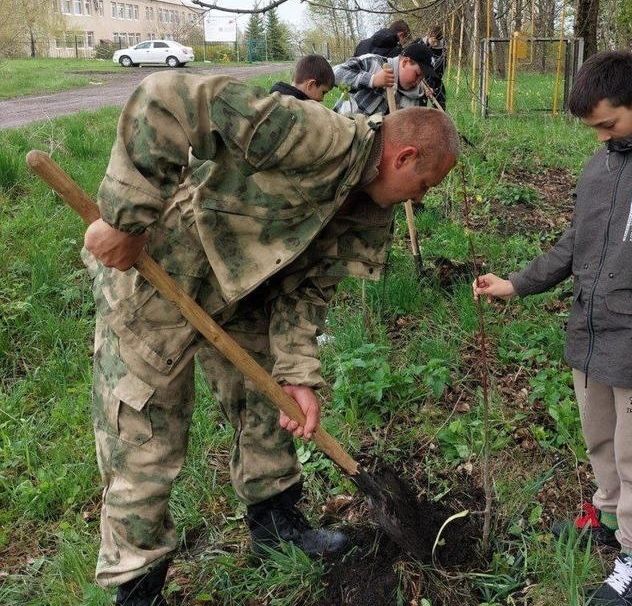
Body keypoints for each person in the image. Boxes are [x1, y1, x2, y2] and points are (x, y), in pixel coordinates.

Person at [81, 70, 460, 606]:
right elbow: (169, 98)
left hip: (246, 294)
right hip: (160, 278)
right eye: (422, 186)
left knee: (268, 410)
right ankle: (137, 586)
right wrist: (127, 219)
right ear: (402, 158)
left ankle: (276, 524)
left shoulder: (369, 212)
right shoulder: (310, 133)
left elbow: (309, 293)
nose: (416, 200)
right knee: (145, 440)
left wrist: (298, 374)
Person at [473, 50, 632, 606]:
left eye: (606, 125)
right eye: (592, 130)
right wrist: (516, 283)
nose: (600, 138)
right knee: (599, 437)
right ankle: (607, 518)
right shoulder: (602, 161)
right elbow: (573, 244)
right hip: (590, 331)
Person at [332, 42, 434, 116]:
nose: (417, 82)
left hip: (371, 144)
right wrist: (372, 80)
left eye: (421, 78)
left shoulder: (415, 100)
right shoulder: (373, 63)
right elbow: (334, 74)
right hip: (340, 132)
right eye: (417, 74)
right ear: (405, 62)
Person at [268, 54, 335, 102]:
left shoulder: (272, 99)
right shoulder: (302, 109)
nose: (322, 99)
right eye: (323, 92)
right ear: (311, 84)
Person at [417, 24, 447, 110]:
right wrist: (424, 84)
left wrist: (432, 84)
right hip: (420, 80)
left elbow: (442, 68)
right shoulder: (419, 44)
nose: (436, 43)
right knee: (420, 105)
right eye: (434, 41)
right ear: (428, 36)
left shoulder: (442, 50)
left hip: (435, 79)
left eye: (438, 41)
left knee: (441, 100)